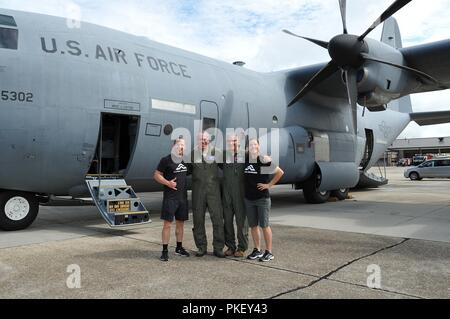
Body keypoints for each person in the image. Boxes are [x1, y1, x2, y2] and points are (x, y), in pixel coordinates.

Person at [244, 138, 284, 262]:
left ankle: (269, 252)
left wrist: (269, 185)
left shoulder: (263, 160)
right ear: (248, 148)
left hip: (262, 198)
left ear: (259, 147)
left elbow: (280, 172)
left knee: (264, 225)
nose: (253, 146)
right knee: (253, 226)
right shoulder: (245, 160)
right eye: (250, 145)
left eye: (255, 144)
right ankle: (257, 250)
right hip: (249, 199)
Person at [154, 138, 190, 262]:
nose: (182, 147)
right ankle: (164, 251)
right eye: (180, 144)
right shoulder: (166, 160)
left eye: (184, 145)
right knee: (167, 225)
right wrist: (168, 183)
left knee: (180, 224)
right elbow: (156, 175)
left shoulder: (186, 160)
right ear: (174, 145)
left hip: (182, 198)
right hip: (170, 198)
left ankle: (179, 248)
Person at [190, 131, 225, 258]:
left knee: (217, 220)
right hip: (198, 193)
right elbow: (185, 170)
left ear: (209, 140)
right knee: (198, 220)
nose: (203, 141)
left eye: (205, 139)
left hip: (213, 192)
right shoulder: (192, 154)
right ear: (197, 140)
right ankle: (201, 247)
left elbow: (228, 166)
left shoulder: (217, 152)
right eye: (201, 139)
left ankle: (218, 247)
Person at [222, 134, 248, 257]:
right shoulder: (223, 155)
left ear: (238, 142)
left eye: (234, 141)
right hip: (227, 193)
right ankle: (230, 246)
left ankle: (241, 247)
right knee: (227, 221)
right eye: (229, 141)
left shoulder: (245, 155)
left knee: (241, 222)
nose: (231, 143)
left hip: (240, 193)